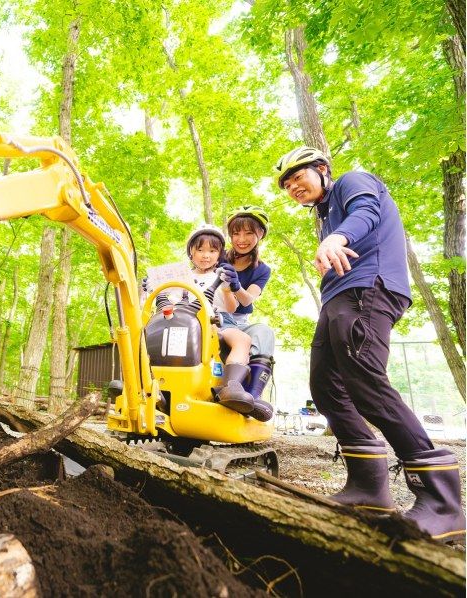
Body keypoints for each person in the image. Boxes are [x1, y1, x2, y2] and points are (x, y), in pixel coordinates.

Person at [275, 146, 465, 541]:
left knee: (365, 383)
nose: (294, 186)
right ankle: (369, 487)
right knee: (325, 388)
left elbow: (368, 212)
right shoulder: (325, 213)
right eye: (287, 184)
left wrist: (338, 237)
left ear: (323, 170)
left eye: (299, 177)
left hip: (369, 288)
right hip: (338, 298)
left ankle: (443, 502)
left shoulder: (352, 181)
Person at [180, 225, 270, 422]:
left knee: (242, 339)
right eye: (200, 250)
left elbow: (231, 308)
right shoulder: (183, 278)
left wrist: (230, 289)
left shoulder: (222, 276)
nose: (206, 255)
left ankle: (231, 386)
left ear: (220, 254)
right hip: (187, 320)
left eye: (212, 251)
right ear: (191, 253)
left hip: (218, 321)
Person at [221, 206, 276, 422]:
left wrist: (235, 286)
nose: (241, 239)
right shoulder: (219, 258)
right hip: (214, 315)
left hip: (240, 321)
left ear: (260, 234)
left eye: (248, 233)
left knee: (263, 332)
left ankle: (252, 396)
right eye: (236, 233)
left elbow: (247, 299)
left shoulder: (262, 269)